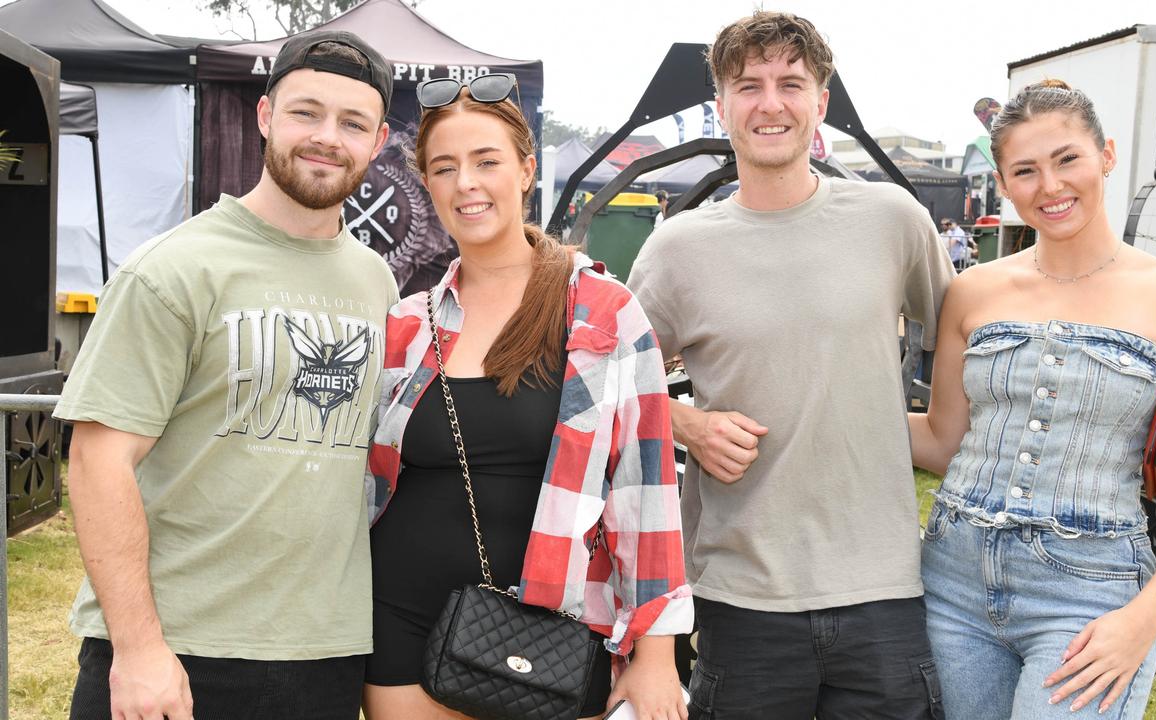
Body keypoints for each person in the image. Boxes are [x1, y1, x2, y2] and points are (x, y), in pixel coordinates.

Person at [53, 29, 400, 720]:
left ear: (378, 142)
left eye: (352, 122)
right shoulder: (174, 268)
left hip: (322, 657)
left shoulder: (377, 282)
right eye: (306, 112)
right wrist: (140, 648)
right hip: (177, 655)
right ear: (266, 116)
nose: (327, 137)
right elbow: (98, 460)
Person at [627, 11, 954, 719]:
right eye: (749, 85)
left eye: (790, 83)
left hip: (884, 592)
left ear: (820, 103)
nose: (770, 103)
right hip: (742, 596)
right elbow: (607, 387)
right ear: (722, 105)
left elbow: (965, 337)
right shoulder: (676, 249)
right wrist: (686, 424)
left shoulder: (892, 220)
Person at [908, 80, 1156, 719]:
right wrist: (827, 401)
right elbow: (941, 439)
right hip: (950, 582)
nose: (1050, 186)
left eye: (1067, 159)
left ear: (1106, 155)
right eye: (1025, 171)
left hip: (1089, 593)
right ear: (1006, 185)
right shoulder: (973, 290)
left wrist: (1145, 618)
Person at [361, 73, 693, 720]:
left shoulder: (602, 313)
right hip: (399, 628)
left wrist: (655, 653)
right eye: (445, 167)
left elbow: (645, 489)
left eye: (487, 162)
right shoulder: (404, 324)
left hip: (555, 634)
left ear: (525, 170)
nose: (467, 184)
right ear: (427, 184)